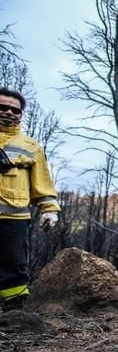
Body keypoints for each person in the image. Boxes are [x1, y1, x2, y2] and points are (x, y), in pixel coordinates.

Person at [0, 87, 60, 311]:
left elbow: (42, 182)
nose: (8, 113)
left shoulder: (30, 146)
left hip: (13, 218)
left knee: (14, 265)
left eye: (15, 110)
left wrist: (49, 209)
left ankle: (14, 313)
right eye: (3, 107)